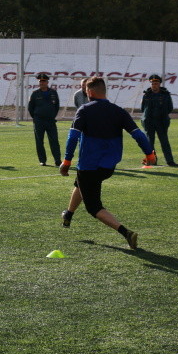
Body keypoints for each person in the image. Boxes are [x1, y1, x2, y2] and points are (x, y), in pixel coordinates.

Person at [59, 77, 156, 250]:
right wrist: (150, 154)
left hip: (89, 166)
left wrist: (66, 161)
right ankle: (69, 214)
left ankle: (126, 233)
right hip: (108, 167)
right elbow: (138, 134)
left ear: (89, 92)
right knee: (81, 183)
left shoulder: (84, 110)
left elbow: (72, 137)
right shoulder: (119, 111)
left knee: (94, 206)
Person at [140, 74, 178, 167]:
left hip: (161, 122)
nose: (154, 85)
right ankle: (152, 160)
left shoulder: (165, 94)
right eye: (152, 83)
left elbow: (170, 107)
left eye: (156, 83)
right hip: (149, 122)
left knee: (164, 142)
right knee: (149, 142)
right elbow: (143, 108)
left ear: (159, 84)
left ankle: (170, 161)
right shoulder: (146, 94)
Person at [27, 72, 61, 166]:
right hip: (39, 121)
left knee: (54, 140)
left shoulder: (53, 93)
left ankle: (57, 160)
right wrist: (36, 117)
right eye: (40, 81)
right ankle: (43, 160)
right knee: (39, 141)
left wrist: (52, 116)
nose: (41, 82)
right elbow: (31, 108)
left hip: (50, 121)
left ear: (47, 82)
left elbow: (56, 106)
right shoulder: (35, 94)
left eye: (43, 81)